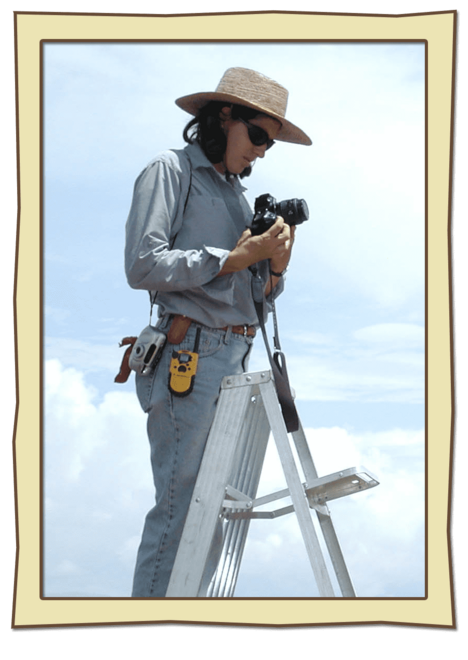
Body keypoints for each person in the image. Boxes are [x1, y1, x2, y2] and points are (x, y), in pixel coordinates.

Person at [124, 67, 311, 597]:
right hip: (191, 356)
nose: (261, 152)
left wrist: (273, 270)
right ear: (224, 116)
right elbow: (142, 264)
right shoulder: (169, 170)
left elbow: (255, 298)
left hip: (235, 357)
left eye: (270, 145)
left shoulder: (235, 196)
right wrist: (229, 258)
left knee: (212, 513)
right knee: (181, 509)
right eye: (257, 136)